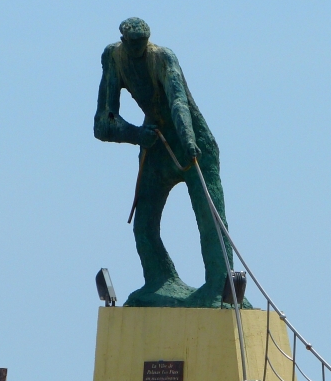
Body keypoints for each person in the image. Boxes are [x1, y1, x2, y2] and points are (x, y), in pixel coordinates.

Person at [94, 17, 245, 308]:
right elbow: (103, 123)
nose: (139, 48)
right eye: (133, 43)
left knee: (211, 220)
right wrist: (137, 135)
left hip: (193, 140)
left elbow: (179, 101)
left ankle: (218, 286)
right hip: (156, 141)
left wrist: (189, 141)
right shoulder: (113, 57)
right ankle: (159, 281)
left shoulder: (162, 57)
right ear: (124, 41)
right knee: (144, 224)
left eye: (143, 42)